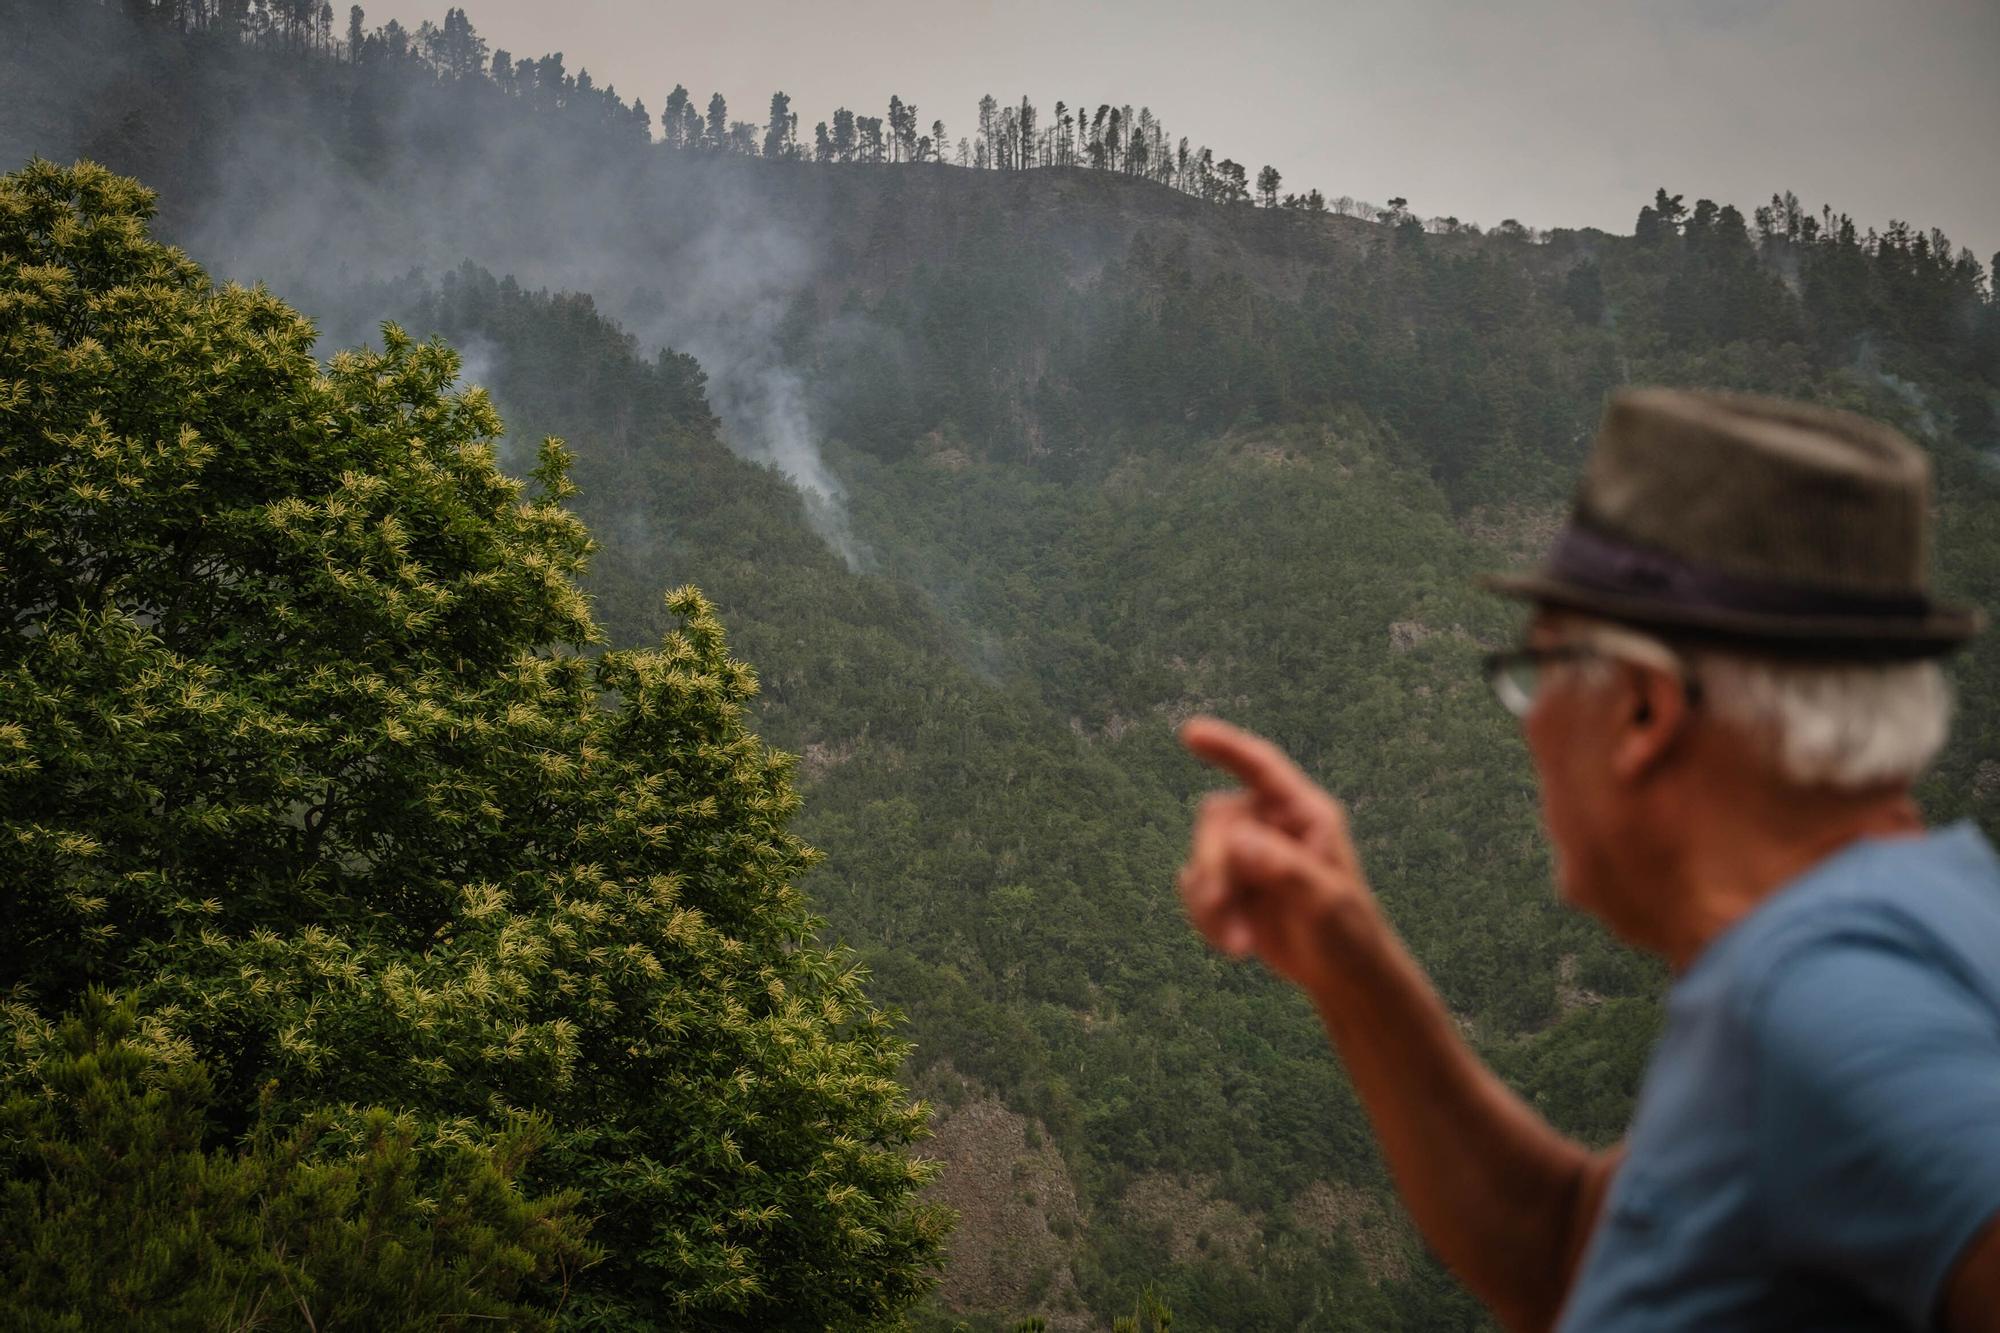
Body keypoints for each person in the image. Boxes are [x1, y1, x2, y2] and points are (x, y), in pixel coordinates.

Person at [1177, 388, 2000, 1330]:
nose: (1525, 728)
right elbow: (1573, 1249)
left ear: (1645, 711)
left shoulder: (1822, 998)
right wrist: (1346, 956)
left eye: (1536, 674)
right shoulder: (1933, 911)